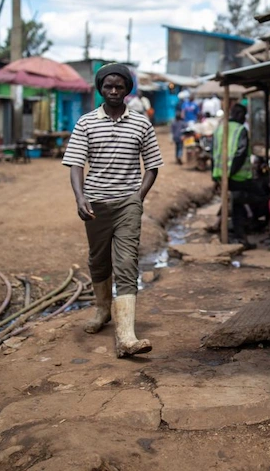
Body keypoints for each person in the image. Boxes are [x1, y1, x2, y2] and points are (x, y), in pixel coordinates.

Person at [62, 63, 164, 358]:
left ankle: (126, 336)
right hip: (95, 204)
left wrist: (138, 197)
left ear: (127, 90)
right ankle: (102, 309)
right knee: (98, 259)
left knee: (127, 262)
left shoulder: (141, 123)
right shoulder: (86, 123)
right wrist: (80, 198)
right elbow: (76, 164)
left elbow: (152, 166)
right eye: (109, 87)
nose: (114, 91)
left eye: (120, 87)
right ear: (101, 89)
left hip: (127, 204)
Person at [212, 102, 254, 247]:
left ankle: (236, 234)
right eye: (244, 116)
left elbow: (214, 153)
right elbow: (240, 154)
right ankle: (241, 236)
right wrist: (230, 172)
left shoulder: (219, 129)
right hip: (237, 176)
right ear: (240, 115)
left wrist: (216, 176)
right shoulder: (240, 130)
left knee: (233, 204)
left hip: (220, 174)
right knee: (240, 205)